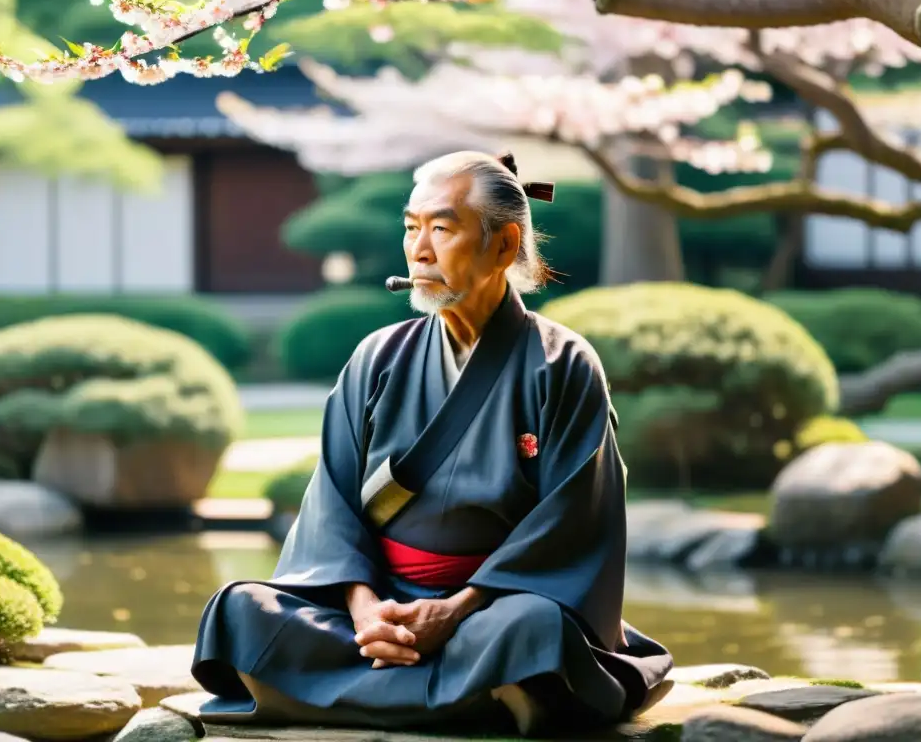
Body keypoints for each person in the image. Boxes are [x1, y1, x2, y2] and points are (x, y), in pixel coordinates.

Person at [190, 150, 674, 737]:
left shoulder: (561, 364)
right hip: (375, 611)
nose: (419, 250)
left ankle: (342, 693)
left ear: (502, 245)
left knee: (535, 630)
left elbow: (573, 523)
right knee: (240, 610)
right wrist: (367, 610)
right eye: (411, 228)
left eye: (442, 229)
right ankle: (477, 698)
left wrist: (454, 610)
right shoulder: (377, 357)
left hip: (489, 610)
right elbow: (332, 505)